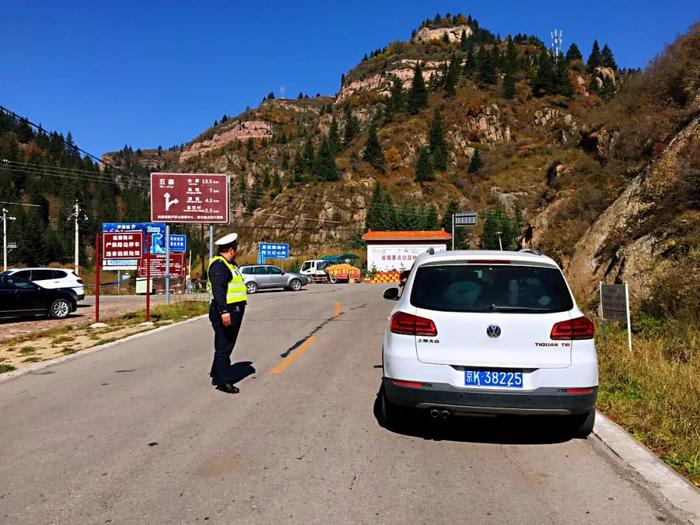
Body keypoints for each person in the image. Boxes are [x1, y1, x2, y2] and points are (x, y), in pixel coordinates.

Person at [207, 232, 248, 394]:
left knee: (226, 344)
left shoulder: (231, 264)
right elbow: (218, 291)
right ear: (231, 249)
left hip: (233, 310)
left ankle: (217, 372)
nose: (236, 251)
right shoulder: (219, 266)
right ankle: (223, 381)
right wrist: (224, 311)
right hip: (225, 312)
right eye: (235, 248)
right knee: (224, 345)